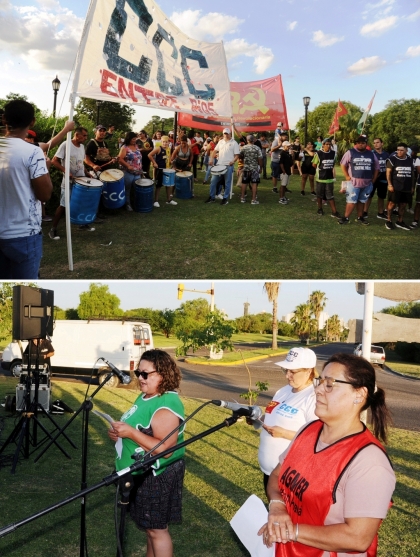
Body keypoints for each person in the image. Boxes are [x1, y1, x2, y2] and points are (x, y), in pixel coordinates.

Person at [259, 353, 395, 557]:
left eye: (330, 384)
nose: (318, 390)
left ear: (359, 394)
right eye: (320, 381)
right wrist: (277, 506)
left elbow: (358, 538)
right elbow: (276, 477)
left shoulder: (370, 462)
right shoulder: (308, 431)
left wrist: (290, 530)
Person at [108, 350, 185, 557]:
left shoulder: (166, 405)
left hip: (156, 476)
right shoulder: (146, 396)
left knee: (157, 530)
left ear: (162, 374)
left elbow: (165, 450)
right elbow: (143, 432)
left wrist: (130, 432)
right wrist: (121, 436)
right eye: (137, 372)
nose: (139, 378)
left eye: (145, 374)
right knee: (149, 528)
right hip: (141, 472)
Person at [0, 99, 53, 279]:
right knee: (24, 294)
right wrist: (46, 169)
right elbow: (44, 194)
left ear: (4, 119)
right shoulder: (32, 152)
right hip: (23, 235)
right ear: (32, 122)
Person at [256, 348, 318, 495]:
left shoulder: (314, 397)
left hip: (292, 475)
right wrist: (257, 419)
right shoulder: (283, 391)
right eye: (285, 370)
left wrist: (283, 433)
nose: (287, 376)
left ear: (309, 371)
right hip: (269, 471)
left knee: (287, 516)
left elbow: (316, 437)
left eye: (293, 372)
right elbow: (272, 416)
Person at [49, 126, 92, 239]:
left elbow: (80, 163)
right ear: (77, 135)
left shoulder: (82, 147)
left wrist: (87, 172)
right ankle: (53, 229)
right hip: (68, 182)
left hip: (80, 181)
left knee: (81, 203)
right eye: (84, 135)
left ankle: (82, 224)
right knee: (63, 205)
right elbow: (54, 160)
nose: (86, 138)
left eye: (86, 135)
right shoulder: (66, 144)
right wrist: (65, 171)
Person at [338, 136, 379, 225]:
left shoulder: (371, 154)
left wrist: (374, 179)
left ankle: (360, 217)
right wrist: (347, 176)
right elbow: (343, 164)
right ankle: (346, 217)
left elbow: (376, 167)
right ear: (356, 144)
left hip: (367, 183)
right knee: (351, 201)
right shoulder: (350, 152)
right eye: (359, 143)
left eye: (363, 143)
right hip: (353, 183)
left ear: (366, 144)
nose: (361, 144)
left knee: (361, 201)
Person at [205, 127, 240, 205]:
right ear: (223, 134)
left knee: (227, 183)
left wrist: (233, 161)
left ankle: (225, 199)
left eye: (227, 133)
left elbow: (237, 155)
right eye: (224, 133)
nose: (226, 135)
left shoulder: (234, 143)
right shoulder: (220, 142)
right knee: (213, 181)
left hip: (228, 165)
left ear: (230, 133)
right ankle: (212, 197)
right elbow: (214, 151)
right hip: (219, 165)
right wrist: (211, 159)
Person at [385, 142, 415, 231]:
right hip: (395, 187)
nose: (399, 152)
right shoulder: (392, 159)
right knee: (392, 204)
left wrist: (412, 186)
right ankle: (389, 220)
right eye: (398, 150)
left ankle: (400, 221)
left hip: (406, 187)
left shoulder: (410, 160)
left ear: (406, 151)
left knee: (403, 205)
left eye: (402, 150)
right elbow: (388, 173)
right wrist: (390, 184)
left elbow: (412, 174)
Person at [312, 138, 340, 218]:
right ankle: (320, 208)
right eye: (326, 144)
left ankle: (334, 212)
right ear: (323, 145)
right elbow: (314, 164)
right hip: (320, 178)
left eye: (329, 144)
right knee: (319, 195)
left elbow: (334, 163)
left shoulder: (333, 153)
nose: (328, 146)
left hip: (329, 178)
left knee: (330, 195)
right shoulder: (318, 154)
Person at [364, 138, 390, 220]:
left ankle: (380, 212)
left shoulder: (387, 154)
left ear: (382, 143)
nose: (376, 144)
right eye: (374, 143)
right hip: (373, 178)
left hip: (383, 178)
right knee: (369, 195)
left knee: (381, 196)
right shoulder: (371, 153)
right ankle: (365, 212)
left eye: (378, 142)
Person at [118, 131, 143, 212]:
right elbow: (120, 159)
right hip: (128, 172)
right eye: (133, 139)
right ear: (128, 139)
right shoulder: (124, 148)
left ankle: (135, 203)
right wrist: (128, 166)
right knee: (127, 189)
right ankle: (127, 204)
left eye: (135, 138)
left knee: (136, 189)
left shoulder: (136, 146)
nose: (134, 140)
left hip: (137, 172)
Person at [149, 135, 177, 207]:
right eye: (163, 142)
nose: (165, 143)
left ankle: (169, 200)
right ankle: (156, 201)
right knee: (158, 186)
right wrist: (154, 163)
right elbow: (149, 155)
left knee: (168, 185)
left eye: (166, 142)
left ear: (169, 142)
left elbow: (169, 159)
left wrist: (173, 165)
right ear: (161, 142)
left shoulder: (168, 149)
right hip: (160, 170)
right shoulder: (158, 149)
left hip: (167, 170)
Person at [240, 135, 262, 205]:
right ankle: (253, 199)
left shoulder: (244, 148)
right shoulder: (257, 148)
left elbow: (240, 157)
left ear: (247, 140)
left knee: (244, 183)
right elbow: (260, 158)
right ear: (254, 140)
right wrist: (260, 168)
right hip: (254, 168)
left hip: (246, 168)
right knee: (254, 184)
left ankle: (242, 198)